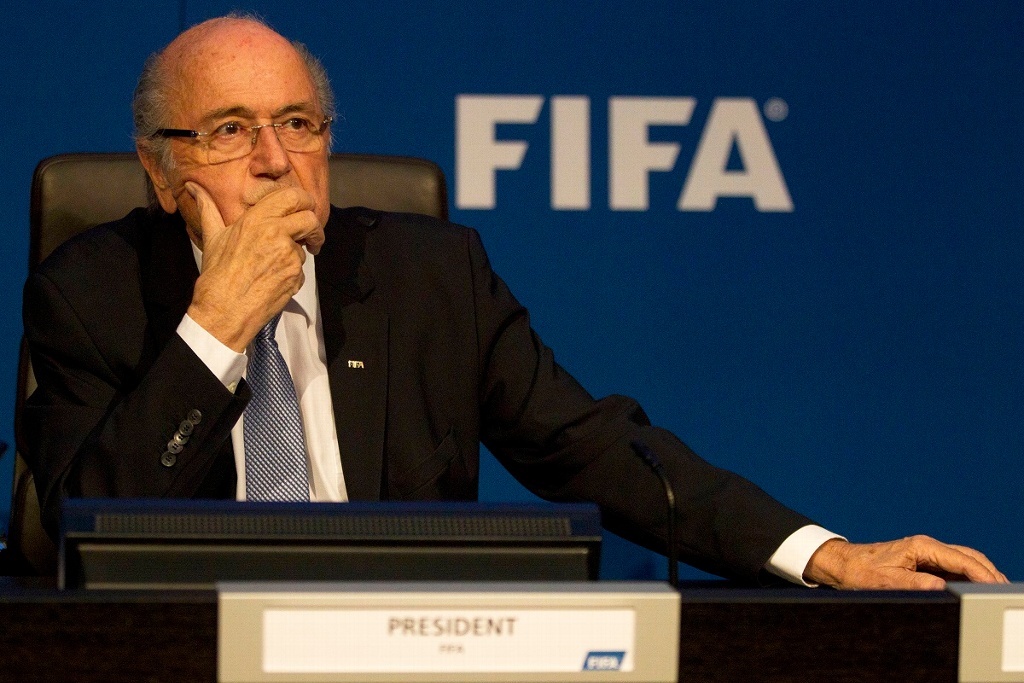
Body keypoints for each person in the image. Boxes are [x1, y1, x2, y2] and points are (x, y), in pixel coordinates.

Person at [21, 15, 1006, 590]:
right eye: (232, 130)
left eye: (299, 123)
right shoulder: (90, 292)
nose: (277, 160)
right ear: (161, 171)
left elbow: (597, 448)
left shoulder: (429, 276)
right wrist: (214, 329)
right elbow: (71, 527)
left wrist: (825, 555)